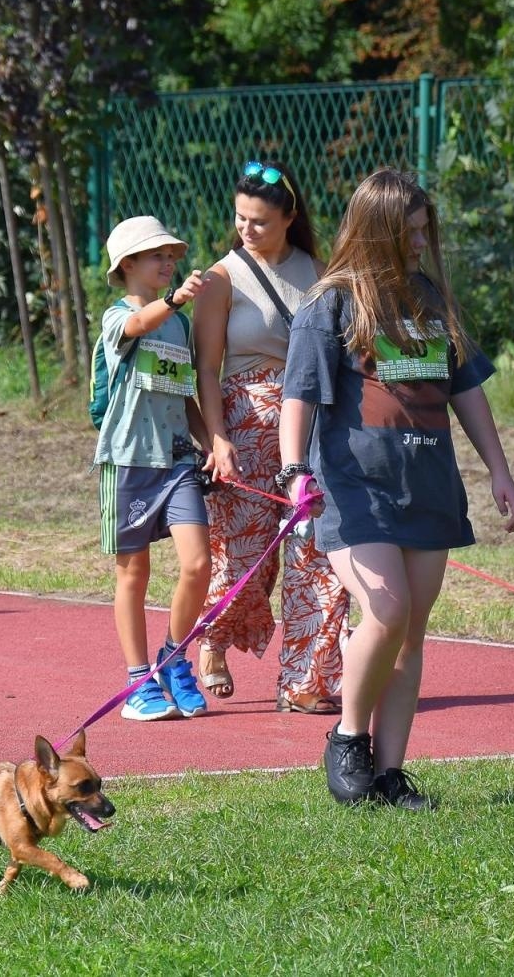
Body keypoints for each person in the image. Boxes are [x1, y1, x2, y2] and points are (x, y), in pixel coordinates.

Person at [278, 168, 514, 808]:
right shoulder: (329, 302)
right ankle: (347, 741)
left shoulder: (431, 301)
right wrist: (293, 473)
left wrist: (499, 469)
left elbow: (466, 390)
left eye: (425, 231)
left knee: (411, 632)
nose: (420, 243)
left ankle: (389, 774)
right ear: (378, 231)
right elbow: (298, 395)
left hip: (429, 484)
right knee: (384, 612)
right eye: (409, 232)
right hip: (355, 488)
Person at [192, 159, 349, 713]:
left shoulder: (321, 270)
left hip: (309, 425)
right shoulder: (220, 277)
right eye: (239, 218)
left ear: (289, 217)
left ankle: (308, 680)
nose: (246, 229)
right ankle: (214, 640)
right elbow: (206, 370)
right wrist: (217, 437)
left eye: (259, 220)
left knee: (317, 551)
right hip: (244, 425)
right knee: (245, 557)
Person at [93, 216, 211, 722]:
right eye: (156, 254)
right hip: (129, 461)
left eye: (171, 254)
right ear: (128, 265)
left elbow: (184, 393)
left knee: (198, 564)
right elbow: (139, 325)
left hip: (177, 459)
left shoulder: (179, 324)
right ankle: (137, 680)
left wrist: (212, 443)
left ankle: (173, 658)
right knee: (134, 573)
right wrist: (178, 299)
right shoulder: (118, 317)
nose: (168, 261)